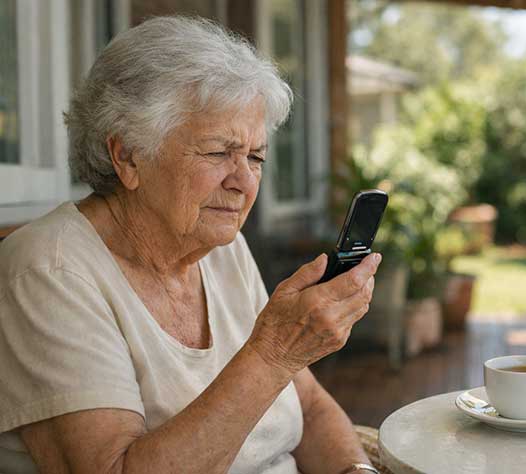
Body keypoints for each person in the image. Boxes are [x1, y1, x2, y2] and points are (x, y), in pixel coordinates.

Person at [0, 16, 382, 474]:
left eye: (255, 157)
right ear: (127, 156)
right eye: (219, 153)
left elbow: (311, 406)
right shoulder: (50, 270)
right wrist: (275, 352)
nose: (243, 181)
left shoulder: (222, 248)